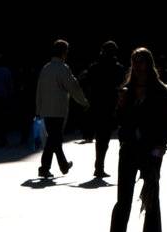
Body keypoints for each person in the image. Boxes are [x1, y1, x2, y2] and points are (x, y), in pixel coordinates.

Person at [107, 48, 167, 232]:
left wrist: (161, 146)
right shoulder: (126, 90)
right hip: (129, 147)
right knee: (124, 193)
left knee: (151, 190)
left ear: (149, 64)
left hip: (151, 147)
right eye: (135, 61)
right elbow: (118, 119)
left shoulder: (160, 91)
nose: (138, 65)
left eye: (142, 61)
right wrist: (120, 105)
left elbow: (166, 121)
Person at [35, 40, 90, 179]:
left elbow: (39, 90)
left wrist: (38, 108)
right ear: (64, 52)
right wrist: (84, 102)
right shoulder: (63, 68)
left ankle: (61, 166)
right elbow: (73, 87)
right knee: (54, 138)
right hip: (58, 110)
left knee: (54, 138)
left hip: (46, 110)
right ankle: (46, 168)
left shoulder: (46, 68)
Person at [82, 40, 124, 179]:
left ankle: (99, 166)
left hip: (96, 105)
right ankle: (99, 167)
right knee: (104, 139)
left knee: (101, 138)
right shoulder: (117, 68)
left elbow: (84, 80)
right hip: (110, 106)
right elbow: (121, 85)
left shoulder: (94, 67)